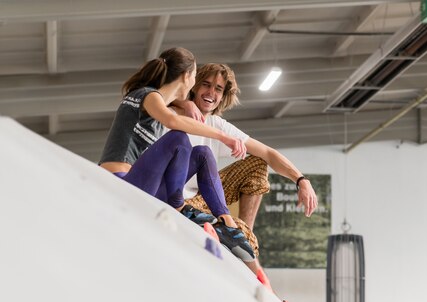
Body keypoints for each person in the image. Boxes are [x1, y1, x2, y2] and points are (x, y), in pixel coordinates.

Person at [98, 47, 256, 263]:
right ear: (187, 76)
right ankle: (178, 206)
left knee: (203, 153)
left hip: (143, 186)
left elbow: (171, 108)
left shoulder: (157, 100)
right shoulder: (146, 95)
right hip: (120, 183)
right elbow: (172, 121)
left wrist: (185, 104)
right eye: (195, 78)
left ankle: (227, 224)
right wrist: (223, 136)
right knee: (178, 138)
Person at [176, 63, 318, 261]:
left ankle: (242, 234)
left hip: (204, 196)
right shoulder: (173, 113)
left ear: (224, 95)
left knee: (257, 162)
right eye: (206, 85)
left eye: (218, 89)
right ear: (194, 86)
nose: (211, 93)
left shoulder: (217, 124)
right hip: (179, 200)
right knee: (245, 237)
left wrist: (302, 180)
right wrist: (183, 103)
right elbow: (155, 97)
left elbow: (268, 153)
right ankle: (242, 238)